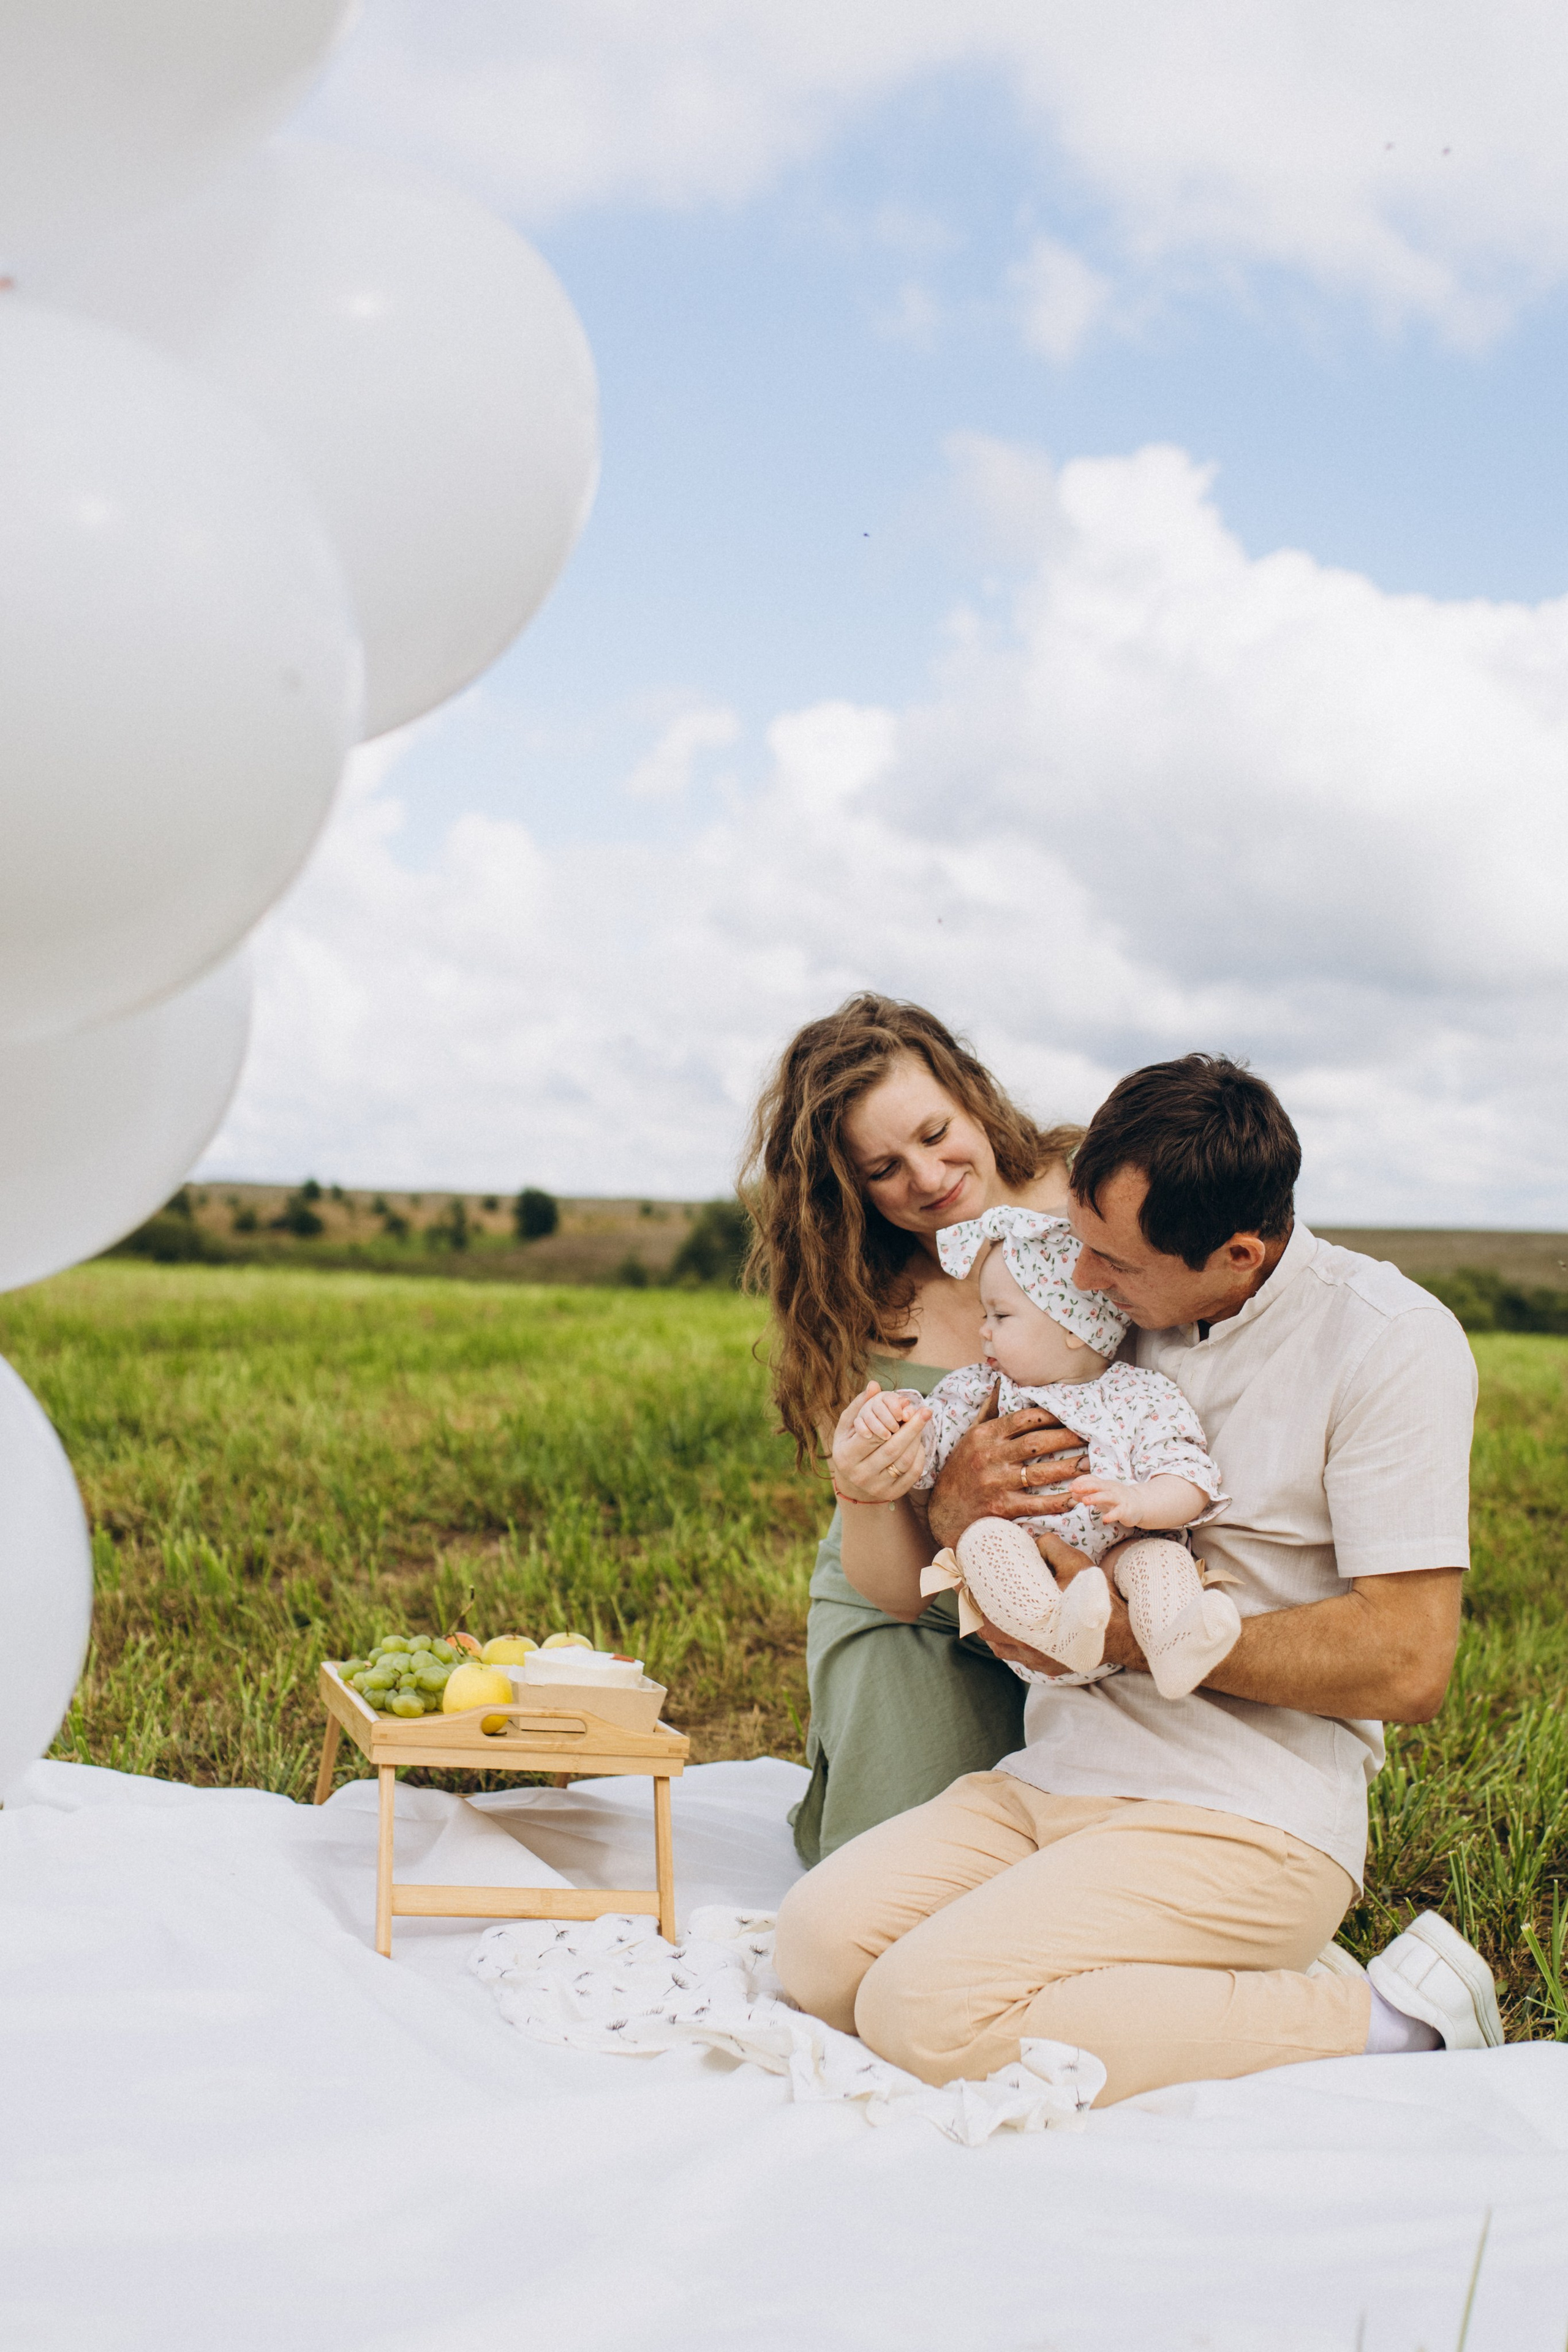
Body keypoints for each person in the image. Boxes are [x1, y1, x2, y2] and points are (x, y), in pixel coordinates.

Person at [775, 1052, 1502, 2106]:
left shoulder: (1389, 1343)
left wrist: (1127, 1633)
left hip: (1243, 1809)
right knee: (820, 1948)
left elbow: (1408, 1663)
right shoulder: (1107, 1308)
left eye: (1109, 1261)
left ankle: (1389, 2022)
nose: (1078, 1281)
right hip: (1061, 1772)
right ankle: (1171, 1986)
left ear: (1238, 1253)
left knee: (922, 2012)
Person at [740, 993, 1089, 1866]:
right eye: (884, 1169)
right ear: (844, 1189)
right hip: (925, 1618)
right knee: (916, 1882)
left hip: (1098, 1589)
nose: (928, 1179)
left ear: (973, 1094)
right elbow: (896, 1588)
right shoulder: (850, 1298)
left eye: (936, 1134)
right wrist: (872, 1489)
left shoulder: (1095, 1193)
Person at [857, 1202, 1242, 1697]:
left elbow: (1188, 1476)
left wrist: (1140, 1502)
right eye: (984, 1314)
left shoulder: (1141, 1394)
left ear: (1072, 1327)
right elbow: (926, 1447)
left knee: (1156, 1558)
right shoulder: (981, 1390)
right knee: (984, 1541)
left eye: (1000, 1315)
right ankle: (1053, 1625)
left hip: (1117, 1581)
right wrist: (896, 1417)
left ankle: (1177, 1645)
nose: (983, 1330)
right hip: (1030, 1608)